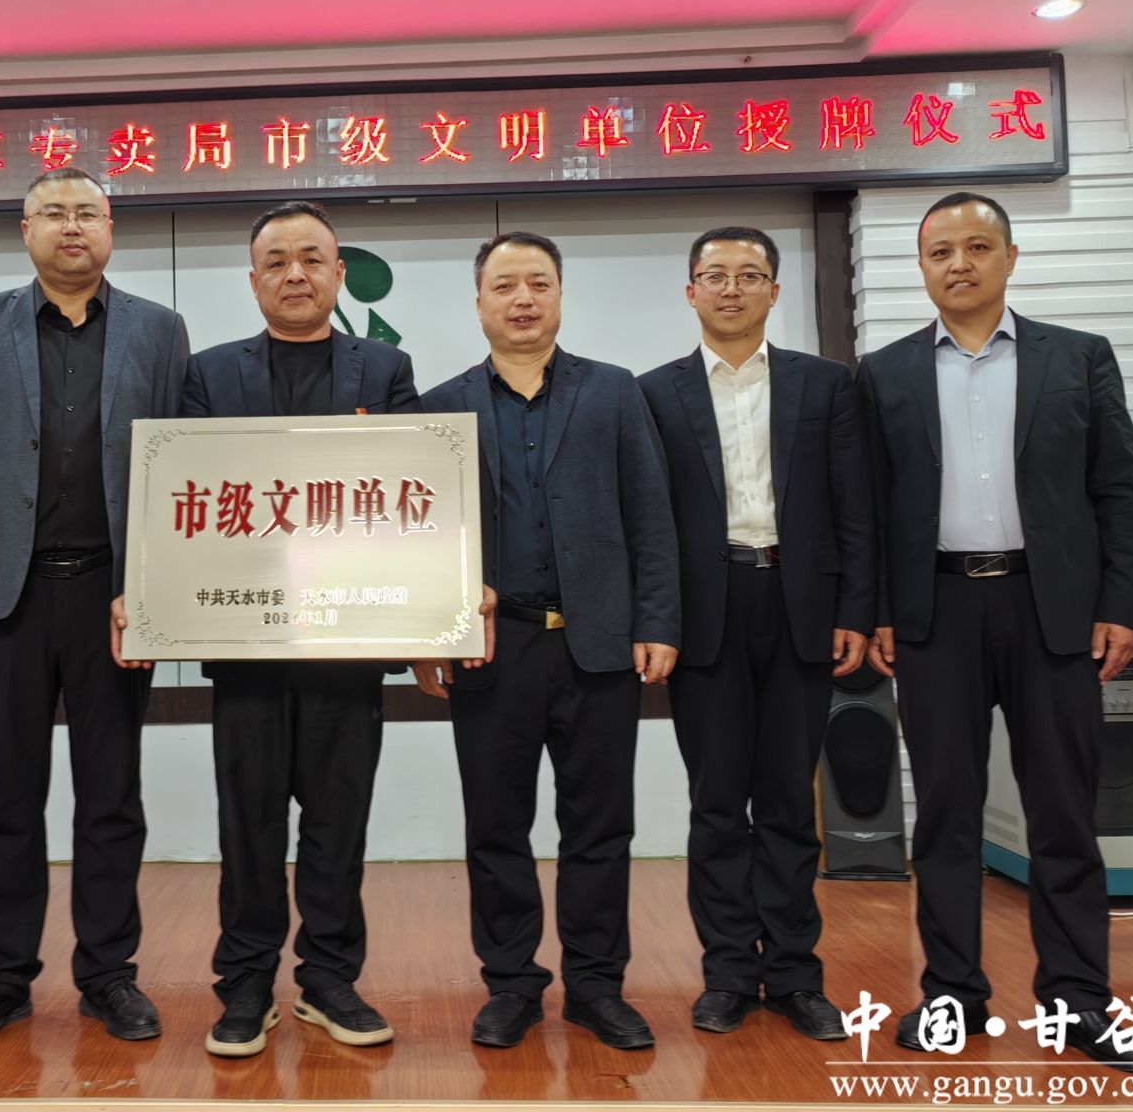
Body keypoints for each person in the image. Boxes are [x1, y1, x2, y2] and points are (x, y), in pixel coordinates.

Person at [860, 192, 1133, 1072]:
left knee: (1063, 815)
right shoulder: (884, 373)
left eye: (977, 247)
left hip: (1052, 610)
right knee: (945, 816)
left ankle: (1079, 1003)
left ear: (1010, 258)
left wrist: (1122, 603)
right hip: (937, 613)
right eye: (940, 251)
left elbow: (1118, 489)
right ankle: (953, 996)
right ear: (922, 268)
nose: (959, 264)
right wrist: (878, 609)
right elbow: (869, 508)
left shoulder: (1079, 357)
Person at [0, 168, 190, 1049]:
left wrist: (155, 590)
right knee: (7, 795)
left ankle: (108, 975)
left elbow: (177, 464)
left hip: (114, 598)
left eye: (87, 213)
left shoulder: (158, 329)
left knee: (111, 795)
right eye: (53, 213)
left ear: (110, 228)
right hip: (8, 597)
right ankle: (1, 979)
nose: (71, 227)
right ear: (26, 229)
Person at [413, 230, 679, 1052]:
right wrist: (426, 635)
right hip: (492, 650)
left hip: (598, 646)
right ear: (479, 303)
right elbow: (420, 538)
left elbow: (651, 515)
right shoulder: (440, 407)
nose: (522, 299)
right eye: (505, 286)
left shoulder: (613, 391)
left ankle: (597, 987)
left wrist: (656, 622)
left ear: (560, 295)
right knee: (496, 826)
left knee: (600, 826)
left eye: (538, 283)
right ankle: (511, 985)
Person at [178, 199, 420, 1058]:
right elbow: (186, 503)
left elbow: (413, 496)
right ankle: (246, 985)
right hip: (245, 642)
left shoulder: (385, 372)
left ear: (339, 274)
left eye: (312, 259)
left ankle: (329, 979)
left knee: (337, 823)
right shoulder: (208, 375)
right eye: (276, 261)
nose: (295, 275)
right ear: (252, 280)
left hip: (348, 643)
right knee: (247, 824)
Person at [637, 226, 874, 1041]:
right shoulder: (654, 393)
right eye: (715, 275)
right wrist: (654, 619)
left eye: (749, 275)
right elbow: (647, 523)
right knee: (715, 803)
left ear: (774, 290)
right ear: (690, 291)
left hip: (800, 605)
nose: (731, 289)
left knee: (787, 801)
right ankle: (730, 973)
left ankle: (797, 975)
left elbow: (856, 506)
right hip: (705, 614)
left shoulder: (825, 384)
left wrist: (855, 610)